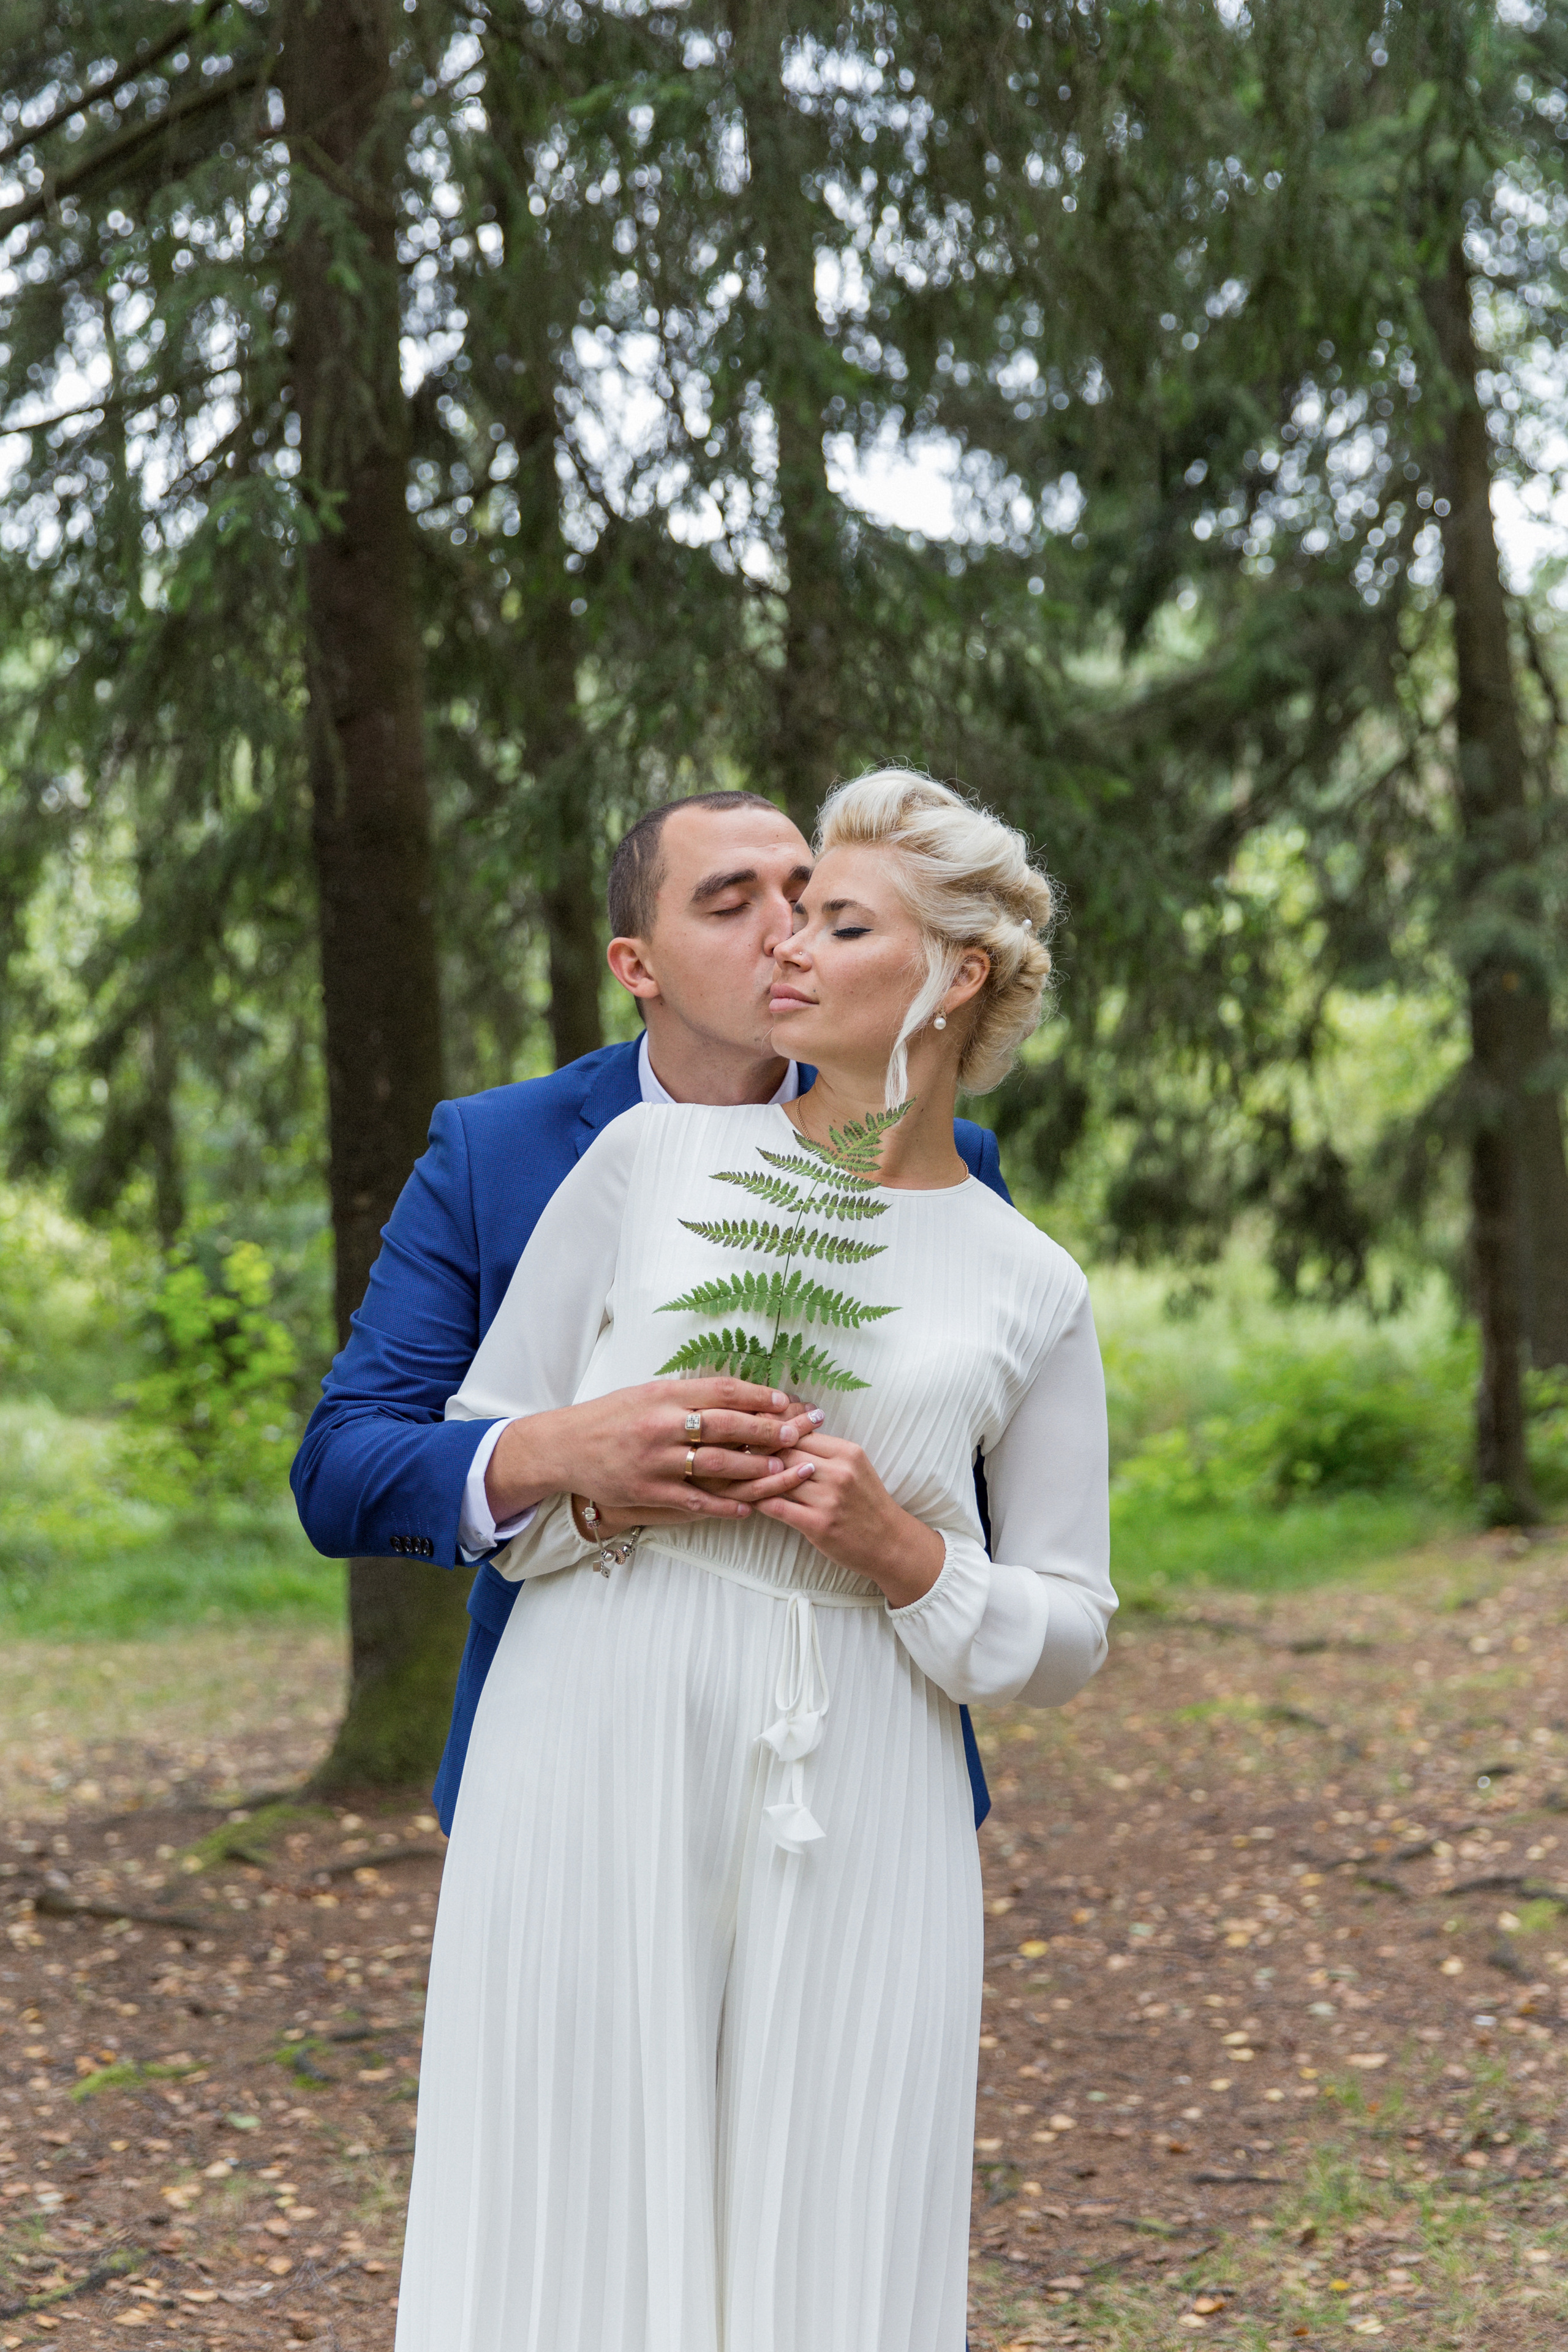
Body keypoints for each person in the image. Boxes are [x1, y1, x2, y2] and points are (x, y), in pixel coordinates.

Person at [394, 769, 1115, 2352]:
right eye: (773, 911)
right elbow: (489, 1421)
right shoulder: (649, 1170)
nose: (786, 940)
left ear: (956, 975)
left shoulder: (1030, 1282)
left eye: (836, 917)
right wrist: (594, 1471)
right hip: (592, 1734)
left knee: (835, 2209)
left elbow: (1071, 1628)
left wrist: (906, 1551)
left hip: (861, 1782)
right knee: (565, 2203)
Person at [290, 790, 1009, 1830]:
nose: (786, 933)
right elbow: (342, 1468)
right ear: (639, 967)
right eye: (730, 906)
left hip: (856, 1751)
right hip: (572, 1753)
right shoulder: (496, 1153)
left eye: (811, 903)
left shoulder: (941, 1162)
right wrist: (560, 1456)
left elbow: (981, 1509)